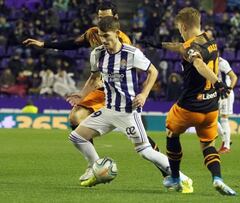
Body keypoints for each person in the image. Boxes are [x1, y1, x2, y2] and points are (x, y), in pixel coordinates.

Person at [23, 2, 167, 181]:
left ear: (115, 19)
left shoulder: (122, 41)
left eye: (105, 17)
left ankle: (164, 167)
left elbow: (132, 71)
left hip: (117, 93)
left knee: (138, 139)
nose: (101, 20)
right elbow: (73, 44)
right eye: (99, 17)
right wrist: (43, 44)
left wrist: (142, 93)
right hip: (99, 87)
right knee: (76, 117)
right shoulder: (93, 32)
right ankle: (94, 165)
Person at [66, 16, 192, 188]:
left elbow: (153, 72)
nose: (104, 40)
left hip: (128, 112)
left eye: (107, 36)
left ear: (117, 34)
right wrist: (82, 95)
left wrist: (144, 94)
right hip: (108, 110)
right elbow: (94, 78)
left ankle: (183, 178)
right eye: (101, 36)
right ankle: (97, 167)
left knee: (146, 151)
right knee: (77, 137)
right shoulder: (97, 54)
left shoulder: (131, 53)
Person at [159, 7, 236, 195]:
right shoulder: (210, 41)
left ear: (184, 27)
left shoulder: (192, 48)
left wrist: (218, 83)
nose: (179, 32)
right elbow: (183, 47)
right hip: (210, 108)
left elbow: (199, 63)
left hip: (189, 106)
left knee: (171, 133)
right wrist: (163, 44)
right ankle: (217, 179)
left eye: (179, 29)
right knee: (208, 145)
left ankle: (175, 179)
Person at [217, 57, 237, 154]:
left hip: (225, 94)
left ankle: (226, 145)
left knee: (224, 118)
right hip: (214, 93)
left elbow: (234, 77)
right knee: (209, 117)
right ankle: (225, 139)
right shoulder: (206, 61)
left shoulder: (222, 62)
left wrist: (229, 90)